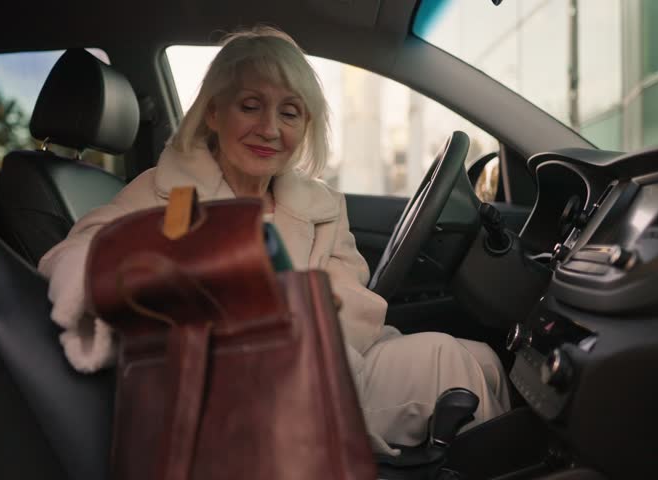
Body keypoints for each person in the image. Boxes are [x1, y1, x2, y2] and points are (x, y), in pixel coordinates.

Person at [38, 26, 510, 455]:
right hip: (247, 393)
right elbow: (78, 255)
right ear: (213, 114)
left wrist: (302, 332)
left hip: (330, 367)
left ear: (305, 126)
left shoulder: (321, 206)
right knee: (456, 367)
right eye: (250, 106)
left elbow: (355, 305)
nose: (269, 129)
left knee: (482, 358)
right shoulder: (169, 195)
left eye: (289, 112)